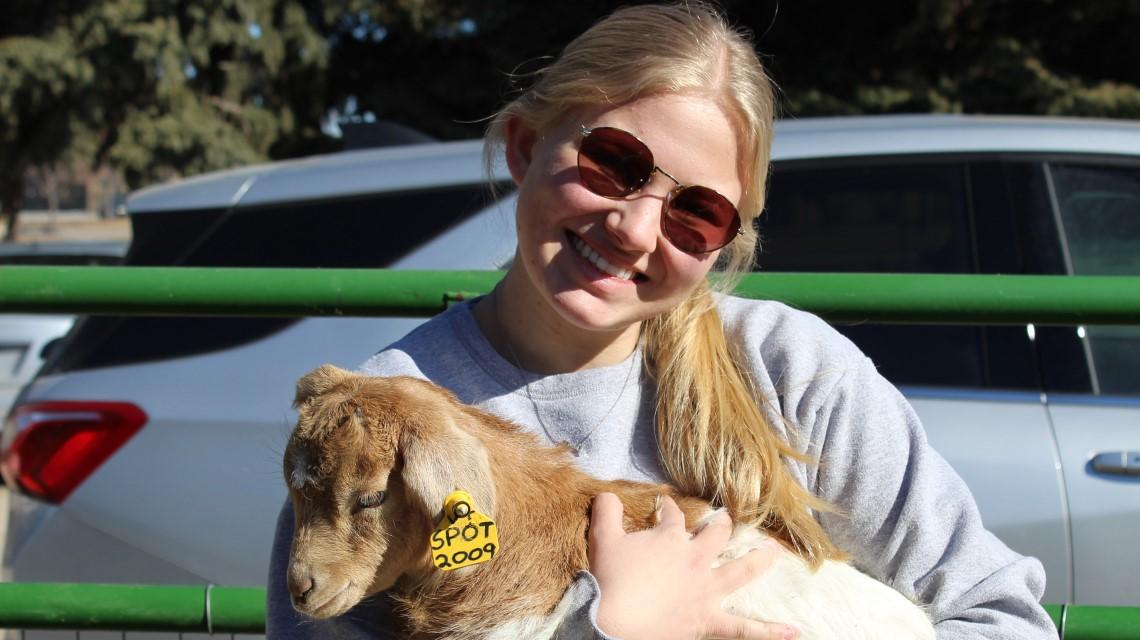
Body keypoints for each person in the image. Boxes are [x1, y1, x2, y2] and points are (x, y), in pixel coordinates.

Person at [267, 3, 1055, 638]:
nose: (636, 229)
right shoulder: (381, 429)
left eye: (697, 212)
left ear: (724, 245)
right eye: (614, 162)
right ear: (524, 145)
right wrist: (609, 629)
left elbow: (999, 615)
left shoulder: (791, 373)